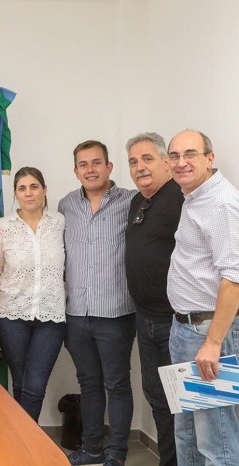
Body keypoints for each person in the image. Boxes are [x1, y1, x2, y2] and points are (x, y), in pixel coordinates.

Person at [58, 140, 136, 466]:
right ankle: (91, 449)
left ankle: (116, 453)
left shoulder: (131, 201)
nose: (90, 169)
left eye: (96, 162)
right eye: (83, 164)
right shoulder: (66, 205)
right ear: (76, 170)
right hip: (77, 313)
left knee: (117, 384)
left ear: (109, 166)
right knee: (89, 383)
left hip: (116, 312)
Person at [166, 130, 239, 466]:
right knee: (188, 433)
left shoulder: (221, 203)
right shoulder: (194, 196)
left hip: (208, 334)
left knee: (217, 441)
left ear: (210, 158)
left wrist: (212, 343)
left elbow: (234, 279)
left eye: (190, 154)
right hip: (186, 328)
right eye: (175, 156)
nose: (181, 162)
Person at [124, 132, 182, 466]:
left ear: (166, 161)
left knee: (185, 403)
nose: (140, 167)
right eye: (134, 161)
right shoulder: (138, 201)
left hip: (178, 322)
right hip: (145, 318)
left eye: (147, 159)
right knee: (158, 397)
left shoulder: (182, 197)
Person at [0, 166, 65, 422]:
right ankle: (21, 441)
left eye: (34, 187)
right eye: (22, 188)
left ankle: (23, 440)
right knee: (21, 384)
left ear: (44, 190)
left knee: (35, 386)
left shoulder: (59, 223)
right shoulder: (3, 227)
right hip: (12, 316)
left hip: (51, 316)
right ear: (15, 194)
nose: (28, 193)